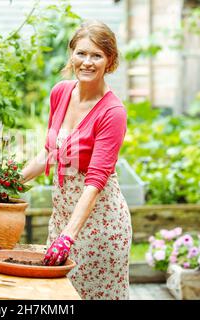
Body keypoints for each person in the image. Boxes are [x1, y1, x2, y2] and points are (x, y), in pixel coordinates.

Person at [21, 21, 132, 300]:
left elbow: (95, 182)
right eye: (81, 53)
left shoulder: (113, 112)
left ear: (110, 61)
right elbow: (49, 152)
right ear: (71, 54)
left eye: (97, 55)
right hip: (62, 219)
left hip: (99, 226)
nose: (87, 62)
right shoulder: (60, 92)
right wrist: (8, 181)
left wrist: (68, 236)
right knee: (55, 298)